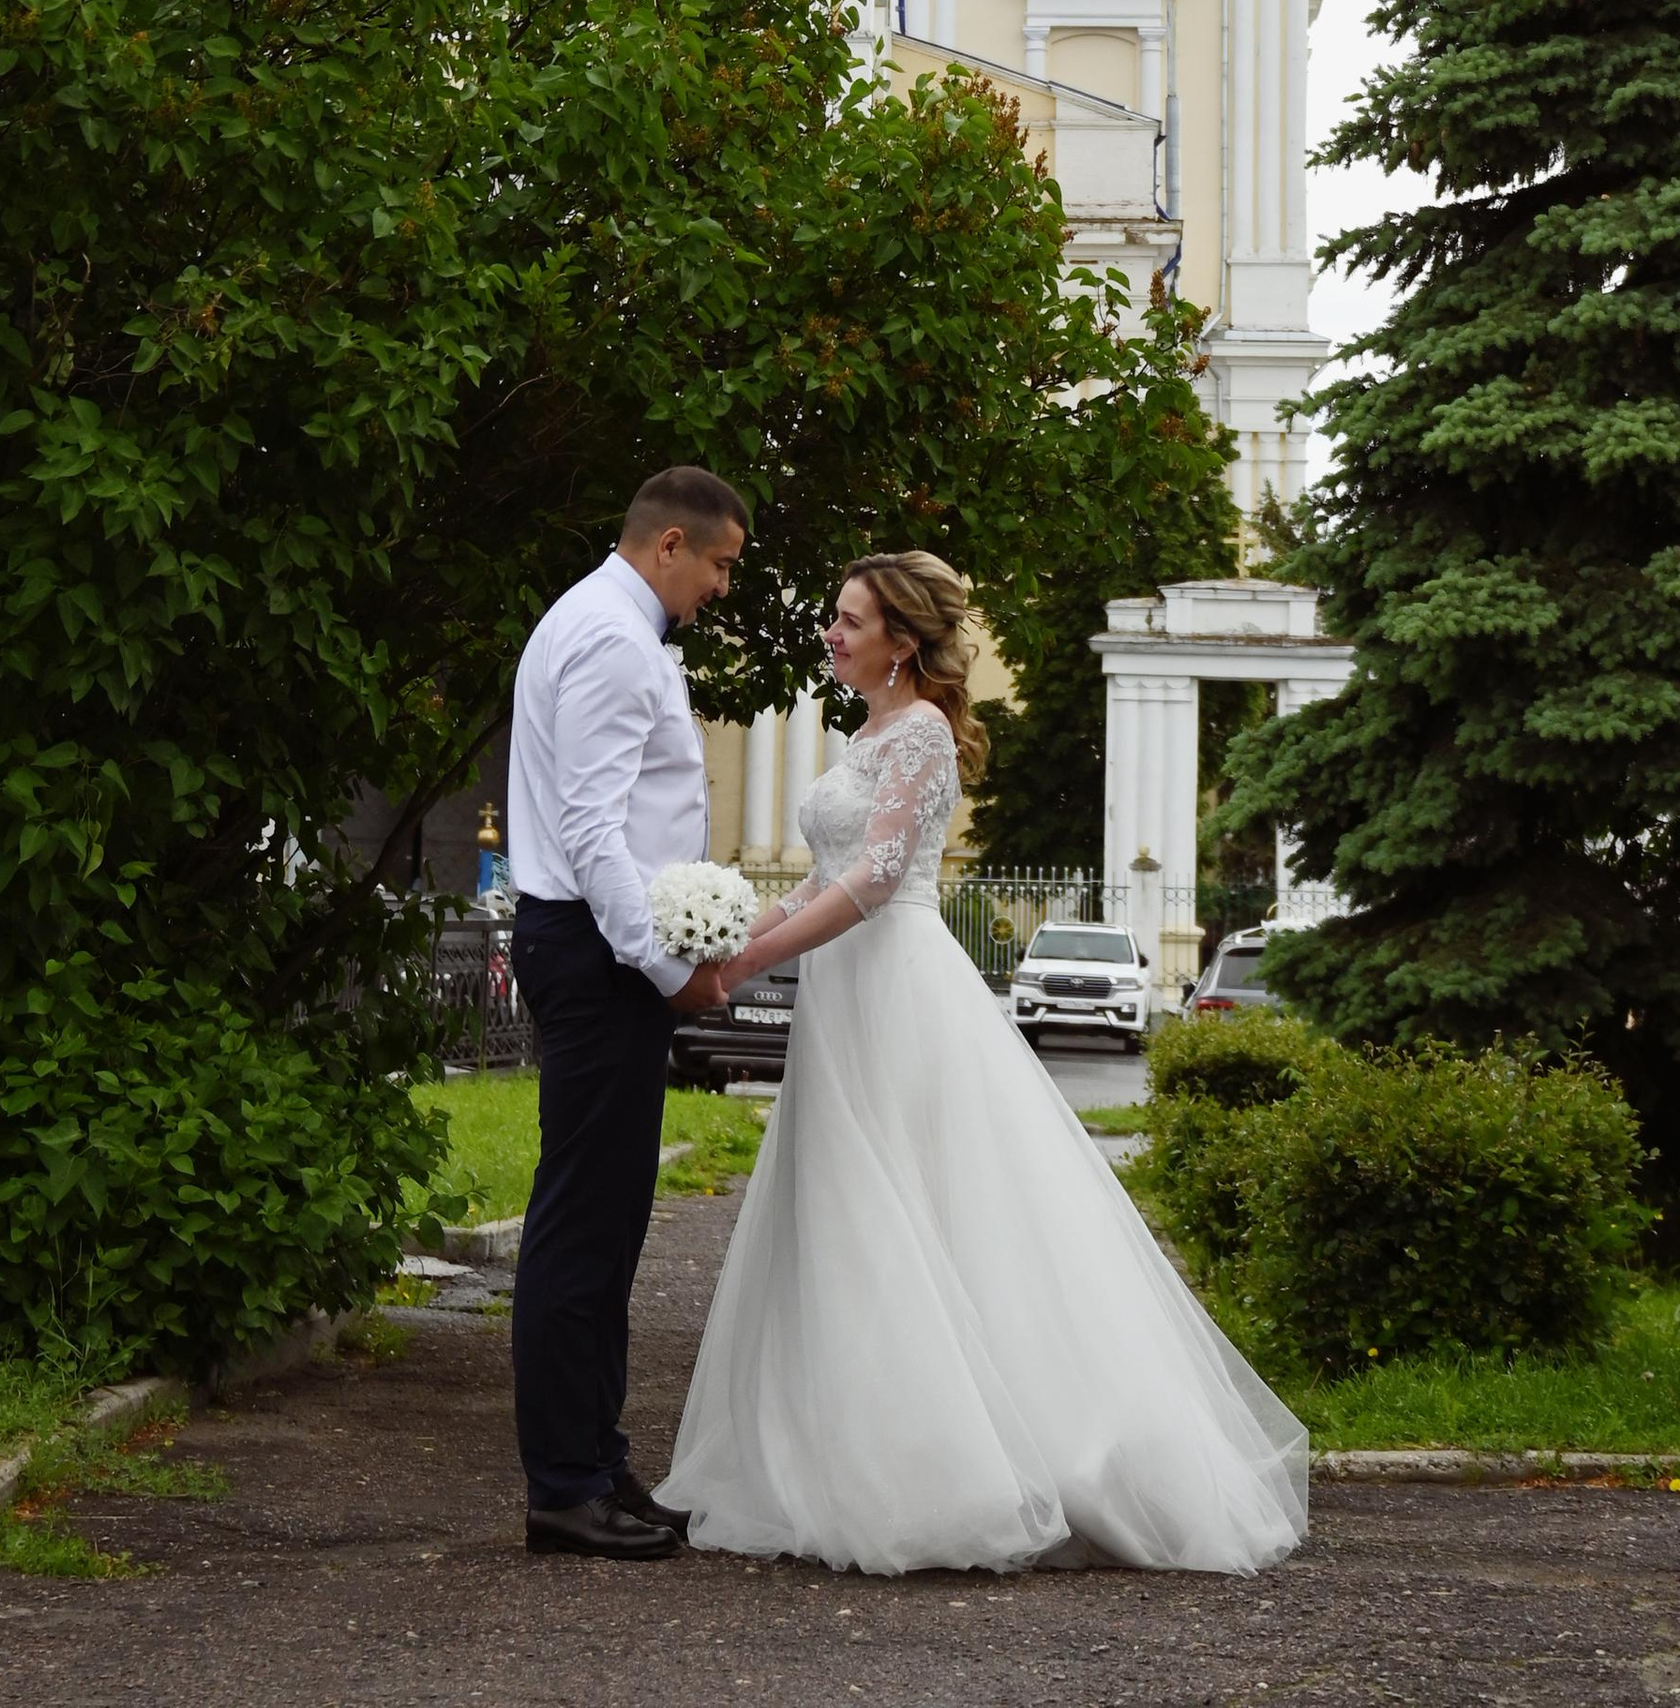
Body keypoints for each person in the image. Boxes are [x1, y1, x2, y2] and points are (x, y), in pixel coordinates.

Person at [657, 550, 1309, 1575]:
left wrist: (749, 957)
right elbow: (824, 877)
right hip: (845, 993)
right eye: (833, 616)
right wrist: (733, 943)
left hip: (898, 988)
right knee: (841, 1205)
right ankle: (842, 1451)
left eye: (847, 620)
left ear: (901, 641)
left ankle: (961, 1467)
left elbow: (873, 882)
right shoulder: (866, 729)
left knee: (920, 1204)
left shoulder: (917, 734)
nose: (830, 632)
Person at [506, 464, 746, 1559]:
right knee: (582, 1228)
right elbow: (593, 830)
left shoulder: (608, 622)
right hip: (596, 956)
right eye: (719, 564)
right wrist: (662, 965)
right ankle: (563, 1484)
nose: (721, 587)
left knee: (608, 1230)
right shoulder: (609, 637)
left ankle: (595, 1464)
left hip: (595, 952)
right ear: (669, 547)